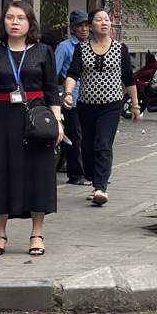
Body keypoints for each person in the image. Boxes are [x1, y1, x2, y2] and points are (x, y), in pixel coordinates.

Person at [0, 1, 63, 256]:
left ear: (30, 23)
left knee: (38, 175)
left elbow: (52, 93)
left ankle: (37, 234)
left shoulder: (43, 51)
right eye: (10, 17)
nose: (15, 22)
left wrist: (57, 122)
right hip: (3, 120)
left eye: (21, 18)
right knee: (0, 173)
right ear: (3, 22)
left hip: (36, 119)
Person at [62, 9, 140, 206]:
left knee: (103, 145)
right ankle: (94, 180)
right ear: (91, 25)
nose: (104, 22)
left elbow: (129, 79)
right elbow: (72, 74)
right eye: (99, 19)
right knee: (86, 147)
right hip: (86, 105)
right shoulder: (82, 49)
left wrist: (135, 105)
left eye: (107, 19)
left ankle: (100, 188)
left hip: (111, 105)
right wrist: (68, 94)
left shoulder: (119, 48)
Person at [55, 10, 90, 186]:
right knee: (75, 138)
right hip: (72, 100)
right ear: (72, 28)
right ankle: (75, 174)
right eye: (79, 26)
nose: (84, 29)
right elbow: (53, 72)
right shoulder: (65, 47)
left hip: (91, 99)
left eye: (86, 25)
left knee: (90, 138)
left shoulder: (92, 45)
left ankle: (90, 172)